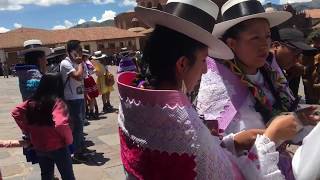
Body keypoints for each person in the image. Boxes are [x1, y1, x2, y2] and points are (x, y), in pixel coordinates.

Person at [118, 0, 303, 179]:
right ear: (182, 64)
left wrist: (235, 142)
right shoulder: (186, 131)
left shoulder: (133, 103)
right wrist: (271, 136)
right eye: (203, 60)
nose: (206, 69)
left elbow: (210, 152)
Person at [196, 0, 320, 179]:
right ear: (231, 43)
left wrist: (301, 121)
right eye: (255, 38)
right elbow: (218, 154)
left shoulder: (270, 74)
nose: (265, 44)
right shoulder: (219, 89)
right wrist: (274, 134)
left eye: (268, 36)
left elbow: (288, 111)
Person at [11, 73, 75, 180]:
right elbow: (61, 124)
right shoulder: (57, 102)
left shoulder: (31, 102)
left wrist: (27, 129)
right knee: (67, 176)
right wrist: (69, 140)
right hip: (58, 147)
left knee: (46, 175)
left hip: (40, 146)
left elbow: (15, 112)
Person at [60, 40, 94, 163]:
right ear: (71, 51)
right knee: (77, 126)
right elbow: (77, 76)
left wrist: (86, 94)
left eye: (81, 50)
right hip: (71, 99)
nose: (80, 53)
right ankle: (75, 152)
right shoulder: (65, 63)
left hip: (79, 97)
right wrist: (80, 63)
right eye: (78, 50)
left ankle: (81, 147)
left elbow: (83, 78)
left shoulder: (76, 62)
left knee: (81, 124)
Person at [83, 49, 99, 120]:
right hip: (87, 80)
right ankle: (93, 111)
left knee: (90, 97)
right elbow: (92, 70)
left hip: (87, 80)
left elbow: (92, 70)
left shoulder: (85, 63)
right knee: (91, 97)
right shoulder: (85, 63)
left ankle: (91, 112)